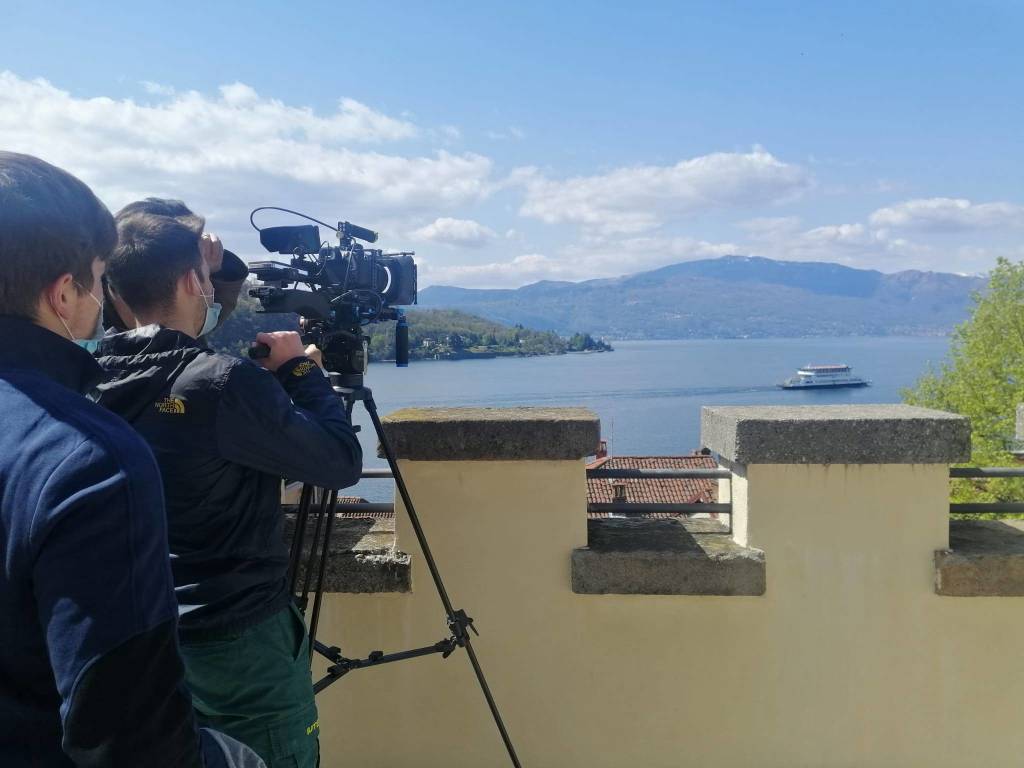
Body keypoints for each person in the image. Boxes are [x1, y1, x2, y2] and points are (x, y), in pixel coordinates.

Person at [0, 152, 263, 767]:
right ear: (64, 293)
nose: (104, 303)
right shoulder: (88, 459)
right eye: (98, 279)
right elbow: (129, 735)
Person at [94, 203, 363, 768]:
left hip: (142, 631)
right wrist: (300, 372)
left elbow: (171, 342)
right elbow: (339, 462)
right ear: (196, 281)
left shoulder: (92, 374)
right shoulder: (222, 383)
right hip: (240, 641)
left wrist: (212, 278)